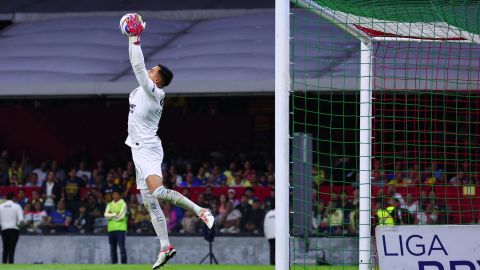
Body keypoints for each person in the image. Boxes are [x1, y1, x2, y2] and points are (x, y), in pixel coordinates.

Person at [121, 13, 214, 269]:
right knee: (150, 203)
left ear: (157, 80)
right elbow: (139, 68)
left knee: (159, 192)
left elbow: (138, 66)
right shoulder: (140, 90)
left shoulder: (154, 93)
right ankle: (165, 246)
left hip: (148, 148)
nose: (149, 69)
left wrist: (134, 38)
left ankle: (201, 211)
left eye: (153, 70)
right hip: (137, 149)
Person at [104, 190, 128, 264]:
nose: (115, 196)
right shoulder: (109, 204)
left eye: (116, 195)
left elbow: (121, 216)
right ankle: (114, 263)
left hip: (121, 228)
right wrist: (115, 214)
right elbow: (106, 215)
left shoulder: (123, 203)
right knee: (112, 247)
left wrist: (111, 214)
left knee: (121, 246)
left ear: (119, 196)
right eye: (113, 195)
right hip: (111, 229)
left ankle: (124, 263)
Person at [0, 192, 24, 263]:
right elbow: (21, 219)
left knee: (5, 249)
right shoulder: (17, 206)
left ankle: (4, 265)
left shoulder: (1, 206)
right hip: (14, 229)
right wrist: (18, 224)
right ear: (13, 198)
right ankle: (11, 266)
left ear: (6, 198)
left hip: (4, 229)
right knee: (11, 249)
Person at [264, 201, 275, 265]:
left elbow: (265, 225)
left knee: (272, 251)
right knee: (280, 251)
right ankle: (280, 263)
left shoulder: (268, 214)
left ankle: (272, 264)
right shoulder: (280, 213)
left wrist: (266, 235)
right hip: (279, 236)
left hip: (270, 236)